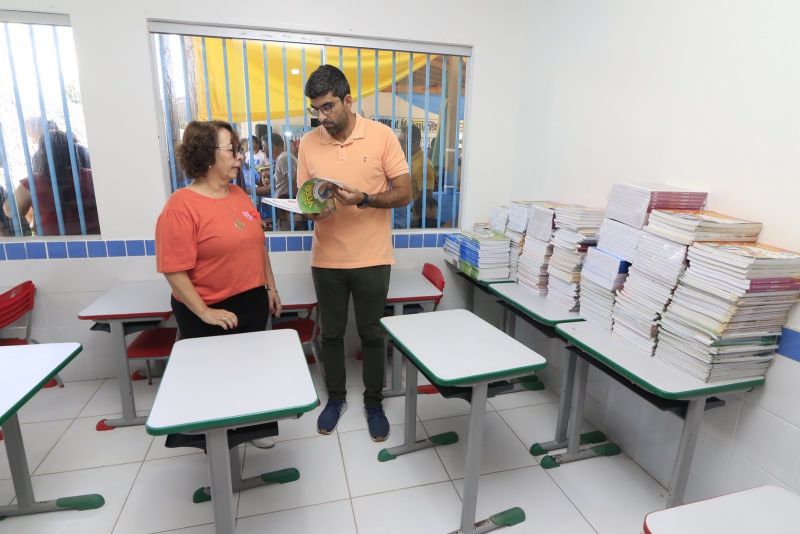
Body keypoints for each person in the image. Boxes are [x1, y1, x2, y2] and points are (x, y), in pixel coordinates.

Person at [297, 65, 411, 442]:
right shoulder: (308, 143)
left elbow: (405, 192)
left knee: (372, 334)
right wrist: (317, 209)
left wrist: (363, 199)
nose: (322, 117)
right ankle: (336, 399)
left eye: (328, 107)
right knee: (330, 335)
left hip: (373, 258)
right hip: (326, 259)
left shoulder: (381, 136)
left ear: (348, 100)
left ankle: (374, 402)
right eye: (316, 109)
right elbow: (305, 200)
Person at [156, 121, 281, 448]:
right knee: (217, 386)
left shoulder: (238, 193)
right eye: (233, 150)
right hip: (211, 309)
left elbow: (258, 245)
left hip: (252, 302)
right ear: (207, 157)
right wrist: (205, 312)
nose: (240, 157)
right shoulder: (180, 207)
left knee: (253, 374)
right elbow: (173, 270)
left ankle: (252, 428)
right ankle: (216, 442)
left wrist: (271, 287)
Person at [3, 129, 99, 236]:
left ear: (42, 156)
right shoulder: (93, 177)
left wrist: (28, 230)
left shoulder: (34, 183)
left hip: (52, 246)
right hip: (94, 243)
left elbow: (9, 210)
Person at [399, 124, 437, 228]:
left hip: (415, 222)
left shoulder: (422, 166)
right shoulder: (409, 160)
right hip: (406, 218)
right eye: (399, 140)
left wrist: (415, 224)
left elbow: (426, 201)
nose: (399, 144)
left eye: (402, 142)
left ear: (415, 143)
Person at [267, 132, 298, 231]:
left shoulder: (284, 158)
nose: (264, 149)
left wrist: (289, 204)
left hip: (288, 208)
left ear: (278, 146)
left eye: (265, 146)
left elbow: (294, 180)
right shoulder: (281, 158)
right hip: (285, 207)